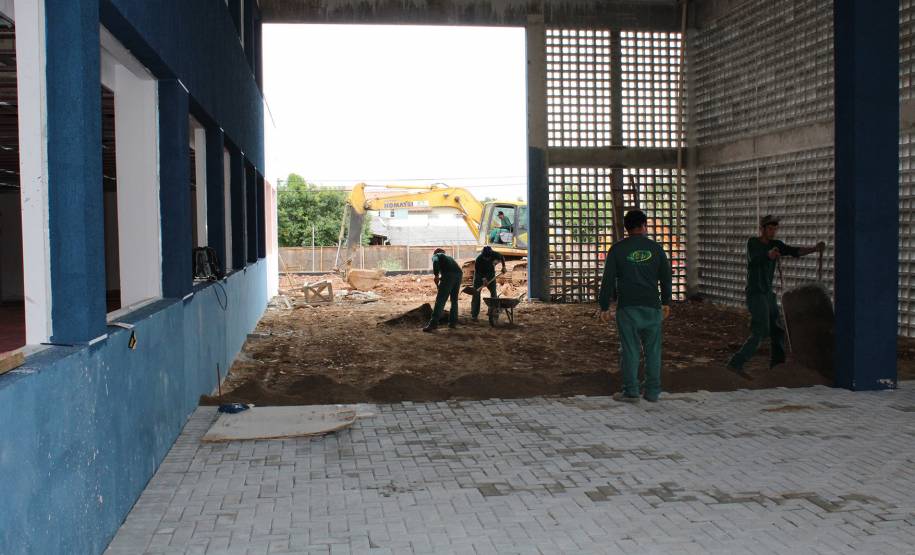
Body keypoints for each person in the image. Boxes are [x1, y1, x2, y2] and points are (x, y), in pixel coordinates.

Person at [727, 215, 825, 376]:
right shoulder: (753, 243)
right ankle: (735, 363)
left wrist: (814, 248)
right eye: (770, 229)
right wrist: (768, 255)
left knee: (777, 330)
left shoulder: (776, 245)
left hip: (767, 294)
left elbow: (794, 251)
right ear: (762, 229)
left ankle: (778, 367)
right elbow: (754, 259)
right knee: (761, 330)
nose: (773, 232)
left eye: (775, 229)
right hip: (756, 293)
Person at [598, 210, 672, 403]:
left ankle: (631, 391)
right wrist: (666, 302)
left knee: (630, 349)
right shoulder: (656, 249)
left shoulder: (617, 249)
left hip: (628, 308)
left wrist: (604, 305)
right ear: (644, 225)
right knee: (653, 350)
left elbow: (607, 280)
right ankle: (653, 391)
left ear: (626, 227)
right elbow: (665, 278)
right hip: (652, 307)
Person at [424, 248, 463, 332]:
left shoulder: (437, 255)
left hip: (449, 275)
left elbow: (435, 261)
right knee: (454, 300)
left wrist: (436, 275)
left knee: (440, 300)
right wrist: (442, 279)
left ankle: (433, 324)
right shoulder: (450, 258)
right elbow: (451, 271)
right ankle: (453, 323)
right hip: (459, 275)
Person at [471, 246, 507, 322]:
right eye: (485, 257)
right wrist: (483, 279)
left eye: (488, 257)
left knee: (493, 293)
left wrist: (503, 267)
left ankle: (493, 311)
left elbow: (502, 258)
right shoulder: (479, 259)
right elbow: (478, 271)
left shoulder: (495, 254)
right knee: (476, 294)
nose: (487, 259)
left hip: (491, 275)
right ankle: (474, 315)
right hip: (479, 276)